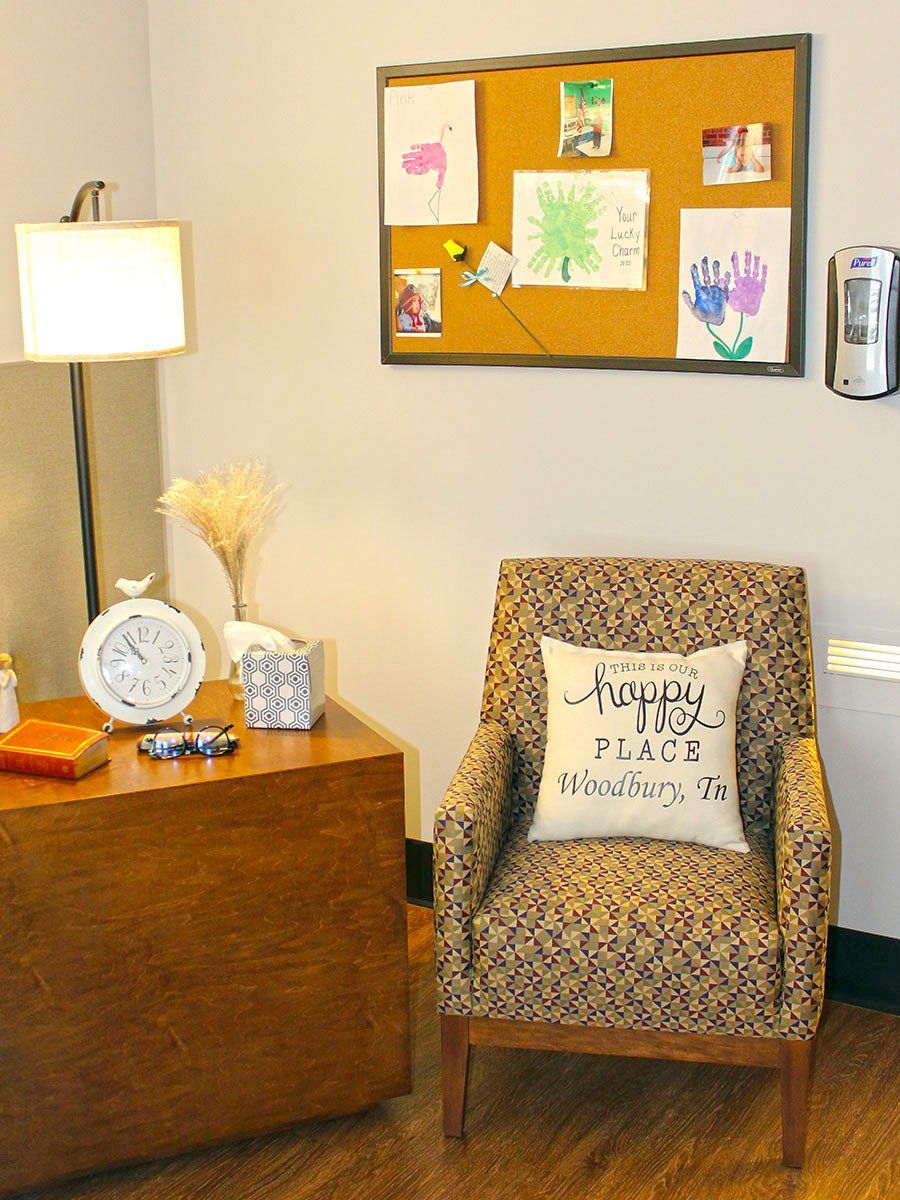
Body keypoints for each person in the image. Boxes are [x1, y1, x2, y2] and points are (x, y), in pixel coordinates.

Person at [0, 653, 19, 733]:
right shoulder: (0, 673)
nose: (8, 665)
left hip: (11, 694)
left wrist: (12, 675)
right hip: (5, 696)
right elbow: (3, 685)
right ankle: (5, 727)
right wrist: (8, 676)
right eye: (6, 663)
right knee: (6, 711)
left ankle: (14, 724)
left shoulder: (10, 671)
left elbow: (15, 684)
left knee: (12, 709)